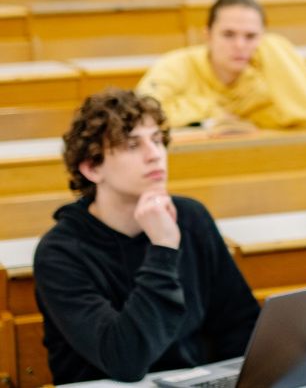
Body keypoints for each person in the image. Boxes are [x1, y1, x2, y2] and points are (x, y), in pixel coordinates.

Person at [33, 90, 260, 384]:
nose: (155, 155)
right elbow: (126, 360)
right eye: (132, 145)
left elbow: (240, 324)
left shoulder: (191, 217)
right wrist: (163, 248)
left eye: (156, 140)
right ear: (92, 167)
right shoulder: (60, 253)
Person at [136, 0, 306, 131]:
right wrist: (213, 111)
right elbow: (142, 114)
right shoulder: (176, 65)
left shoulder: (260, 81)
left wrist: (274, 45)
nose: (239, 45)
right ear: (208, 35)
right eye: (228, 35)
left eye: (251, 36)